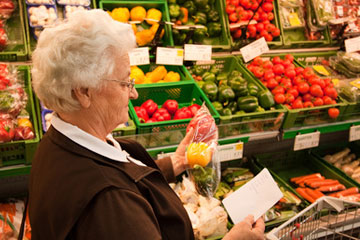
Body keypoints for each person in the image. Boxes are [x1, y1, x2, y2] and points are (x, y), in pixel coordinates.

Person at [28, 9, 265, 240]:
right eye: (124, 82)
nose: (133, 94)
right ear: (83, 92)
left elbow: (118, 175)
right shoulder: (111, 203)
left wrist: (177, 162)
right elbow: (114, 192)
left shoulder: (57, 142)